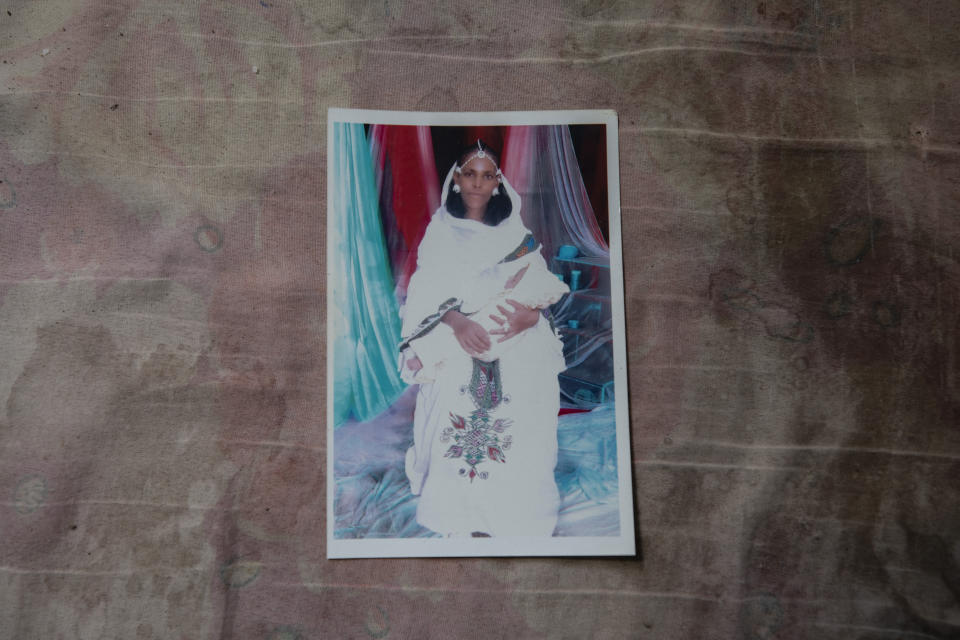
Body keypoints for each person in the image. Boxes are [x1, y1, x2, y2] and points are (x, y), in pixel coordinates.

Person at [397, 140, 570, 537]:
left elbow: (538, 279)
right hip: (459, 332)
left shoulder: (515, 231)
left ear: (498, 183)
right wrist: (457, 323)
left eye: (487, 175)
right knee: (456, 394)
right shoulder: (440, 230)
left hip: (515, 330)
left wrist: (530, 315)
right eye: (469, 174)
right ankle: (460, 510)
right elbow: (425, 292)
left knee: (525, 395)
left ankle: (514, 509)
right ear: (456, 179)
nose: (478, 182)